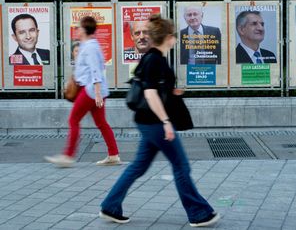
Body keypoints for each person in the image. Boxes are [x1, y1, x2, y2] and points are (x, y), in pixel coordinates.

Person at [99, 15, 220, 227]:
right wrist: (165, 121)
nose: (175, 38)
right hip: (155, 123)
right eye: (173, 35)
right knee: (181, 165)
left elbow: (155, 88)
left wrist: (172, 92)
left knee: (138, 166)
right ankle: (199, 213)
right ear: (167, 37)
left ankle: (110, 206)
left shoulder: (153, 58)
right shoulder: (155, 59)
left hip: (147, 122)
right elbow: (150, 93)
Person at [44, 16, 121, 167]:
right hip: (93, 90)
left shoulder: (91, 47)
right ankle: (113, 155)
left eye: (79, 27)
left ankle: (68, 156)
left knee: (73, 120)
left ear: (85, 30)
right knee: (101, 122)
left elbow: (96, 70)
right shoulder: (88, 45)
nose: (77, 30)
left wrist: (97, 93)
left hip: (91, 90)